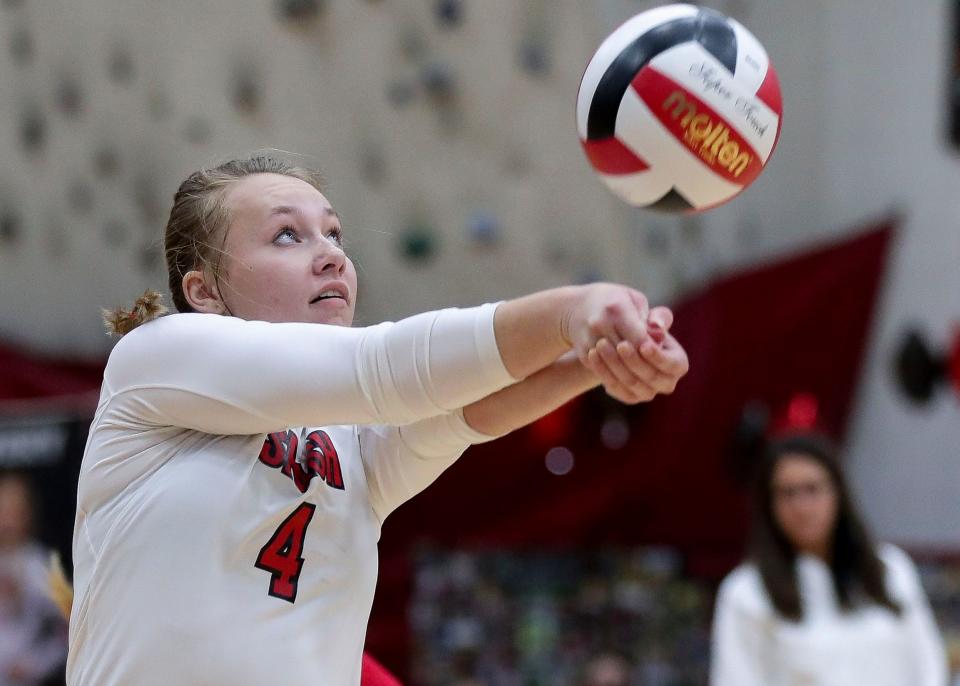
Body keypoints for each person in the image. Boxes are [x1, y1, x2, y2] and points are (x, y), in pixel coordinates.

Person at [66, 155, 689, 686]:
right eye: (288, 236)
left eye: (334, 234)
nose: (331, 256)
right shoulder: (158, 359)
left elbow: (463, 415)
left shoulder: (347, 435)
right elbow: (388, 370)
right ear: (204, 292)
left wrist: (598, 357)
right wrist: (572, 310)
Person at [710, 432, 947, 686]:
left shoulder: (889, 569)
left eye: (812, 489)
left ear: (838, 492)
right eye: (787, 493)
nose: (801, 506)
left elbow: (928, 665)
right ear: (769, 504)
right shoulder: (746, 592)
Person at [0, 471, 68, 685]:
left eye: (14, 511)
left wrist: (37, 663)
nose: (7, 520)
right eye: (2, 510)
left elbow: (69, 627)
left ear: (28, 514)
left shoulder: (40, 565)